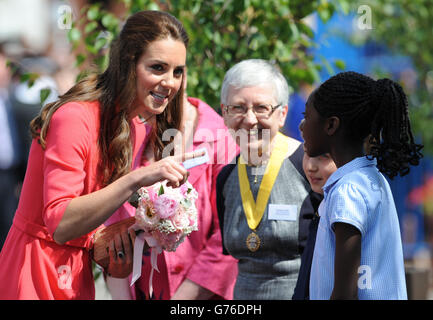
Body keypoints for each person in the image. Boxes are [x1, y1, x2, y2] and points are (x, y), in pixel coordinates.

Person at [0, 10, 202, 300]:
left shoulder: (136, 126)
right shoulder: (75, 117)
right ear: (128, 65)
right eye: (158, 68)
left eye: (178, 71)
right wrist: (138, 178)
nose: (170, 82)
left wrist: (136, 233)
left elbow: (96, 215)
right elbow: (60, 223)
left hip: (76, 275)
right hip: (33, 272)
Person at [104, 74, 239, 300]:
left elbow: (227, 238)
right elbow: (111, 227)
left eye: (175, 71)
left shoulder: (219, 139)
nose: (165, 83)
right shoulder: (125, 135)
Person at [300, 71, 423, 299]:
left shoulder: (348, 191)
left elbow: (345, 293)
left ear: (331, 125)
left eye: (306, 116)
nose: (301, 126)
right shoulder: (370, 178)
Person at [216, 59, 311, 299]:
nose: (249, 119)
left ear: (282, 114)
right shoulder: (226, 177)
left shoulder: (308, 166)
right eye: (238, 107)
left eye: (261, 108)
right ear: (224, 113)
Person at [292, 138, 337, 300]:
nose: (311, 166)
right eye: (307, 153)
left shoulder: (343, 207)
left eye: (324, 156)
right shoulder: (317, 202)